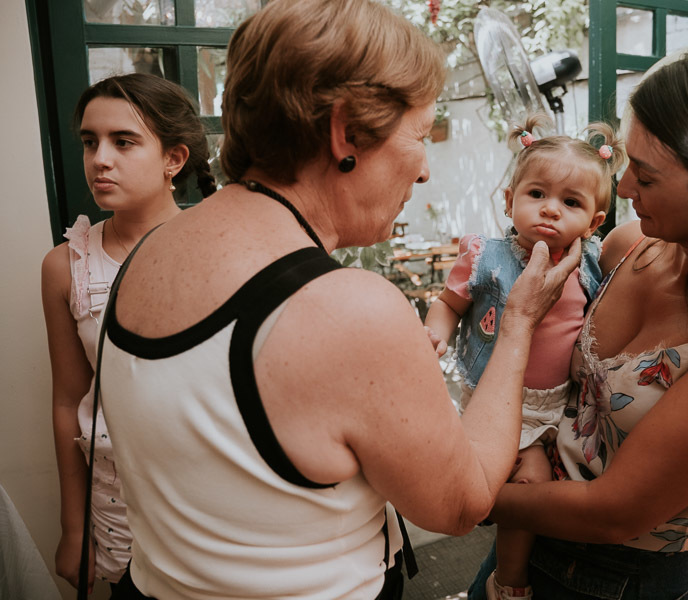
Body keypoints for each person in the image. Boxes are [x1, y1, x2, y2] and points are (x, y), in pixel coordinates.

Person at [92, 1, 581, 599]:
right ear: (345, 133)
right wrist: (520, 322)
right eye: (421, 136)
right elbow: (462, 502)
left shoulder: (146, 252)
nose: (426, 171)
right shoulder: (346, 307)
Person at [467, 43, 688, 600]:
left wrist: (463, 491)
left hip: (620, 579)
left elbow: (613, 513)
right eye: (626, 164)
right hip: (528, 524)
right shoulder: (629, 246)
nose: (624, 187)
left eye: (647, 179)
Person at [425, 113, 625, 600]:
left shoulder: (594, 263)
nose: (550, 210)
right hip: (496, 397)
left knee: (530, 491)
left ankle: (503, 578)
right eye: (537, 195)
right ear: (510, 199)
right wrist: (433, 333)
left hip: (558, 405)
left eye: (570, 202)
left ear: (595, 221)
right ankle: (510, 584)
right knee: (521, 485)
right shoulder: (484, 255)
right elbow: (449, 303)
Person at [40, 73, 215, 594]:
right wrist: (75, 529)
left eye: (123, 141)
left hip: (209, 493)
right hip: (117, 505)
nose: (100, 159)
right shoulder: (66, 266)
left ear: (173, 160)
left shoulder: (218, 252)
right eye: (90, 142)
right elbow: (67, 399)